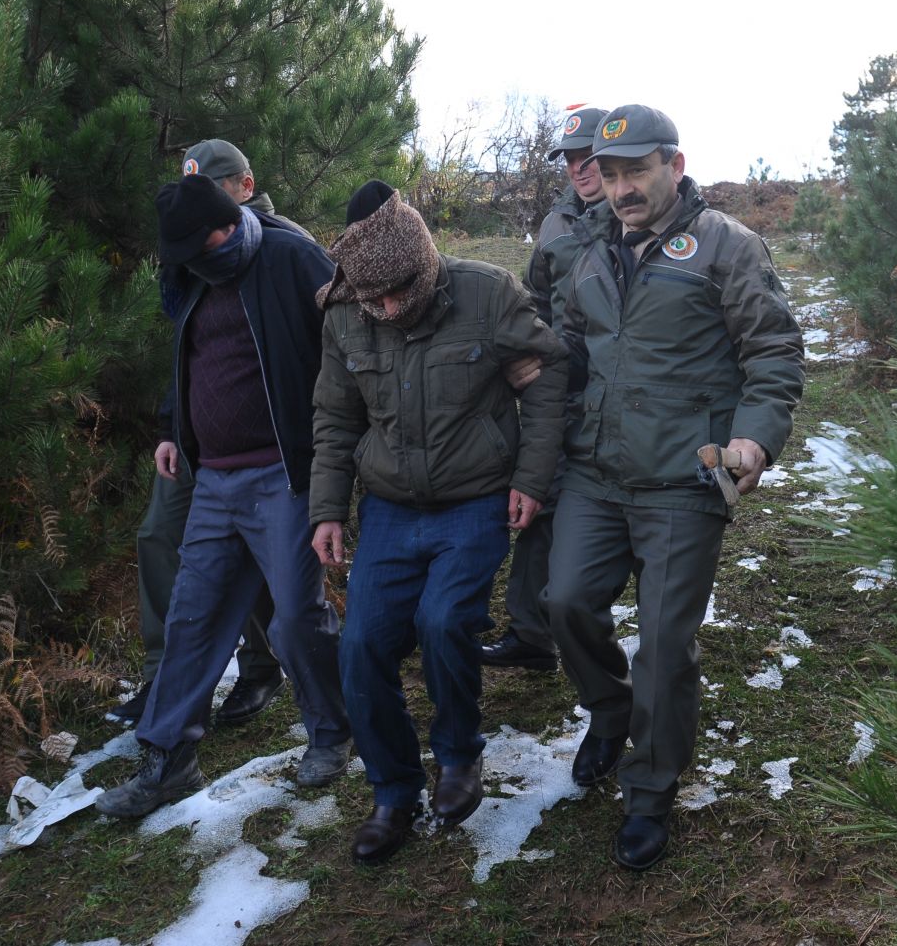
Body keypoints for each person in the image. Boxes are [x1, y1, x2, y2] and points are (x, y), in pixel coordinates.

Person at [545, 104, 804, 870]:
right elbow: (564, 350)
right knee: (564, 603)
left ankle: (650, 790)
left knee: (662, 641)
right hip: (595, 471)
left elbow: (775, 350)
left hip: (685, 477)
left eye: (638, 172)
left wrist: (754, 436)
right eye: (612, 173)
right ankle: (609, 707)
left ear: (675, 166)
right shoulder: (588, 249)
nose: (623, 188)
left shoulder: (726, 246)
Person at [310, 181, 568, 864]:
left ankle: (458, 756)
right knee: (361, 643)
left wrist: (531, 479)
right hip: (390, 507)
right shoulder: (344, 314)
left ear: (424, 267)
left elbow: (543, 386)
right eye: (375, 298)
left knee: (444, 620)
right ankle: (393, 791)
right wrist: (328, 508)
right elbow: (336, 419)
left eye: (398, 292)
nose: (387, 308)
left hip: (475, 497)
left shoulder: (488, 294)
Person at [96, 173, 352, 818]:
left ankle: (332, 731)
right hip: (212, 477)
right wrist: (171, 428)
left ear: (228, 222)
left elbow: (350, 345)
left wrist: (343, 457)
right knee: (193, 615)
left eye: (204, 246)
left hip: (285, 473)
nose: (197, 262)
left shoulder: (291, 257)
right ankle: (168, 759)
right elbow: (189, 357)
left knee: (295, 616)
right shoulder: (189, 273)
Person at [111, 139, 301, 728]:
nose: (199, 204)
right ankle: (161, 678)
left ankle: (264, 666)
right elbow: (191, 350)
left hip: (265, 450)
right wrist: (171, 426)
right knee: (158, 535)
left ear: (244, 186)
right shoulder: (190, 253)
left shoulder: (280, 247)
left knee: (261, 557)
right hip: (198, 440)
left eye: (212, 188)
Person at [481, 105, 614, 673]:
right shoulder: (557, 222)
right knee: (539, 501)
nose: (579, 169)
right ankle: (533, 635)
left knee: (604, 523)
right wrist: (526, 355)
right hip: (560, 387)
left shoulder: (637, 215)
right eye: (570, 159)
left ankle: (588, 636)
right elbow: (535, 300)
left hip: (618, 391)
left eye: (589, 158)